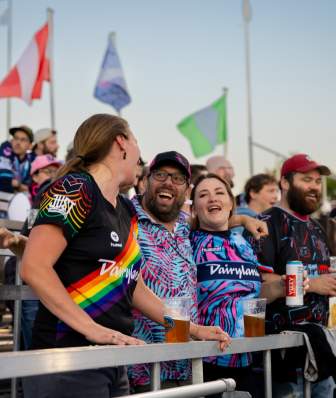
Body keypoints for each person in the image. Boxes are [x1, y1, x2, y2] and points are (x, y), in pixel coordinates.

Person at [19, 115, 230, 398]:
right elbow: (34, 267)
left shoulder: (125, 210)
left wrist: (192, 329)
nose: (140, 158)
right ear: (121, 143)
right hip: (67, 357)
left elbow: (134, 286)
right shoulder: (75, 188)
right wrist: (91, 329)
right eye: (137, 143)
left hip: (114, 357)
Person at [128, 151, 269, 392]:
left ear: (185, 190)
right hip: (145, 367)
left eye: (178, 178)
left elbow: (212, 217)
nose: (168, 182)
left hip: (188, 365)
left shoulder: (184, 226)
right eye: (160, 174)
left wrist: (244, 220)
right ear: (146, 179)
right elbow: (129, 286)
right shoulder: (126, 219)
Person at [248, 153, 335, 398]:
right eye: (307, 179)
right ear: (285, 183)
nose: (314, 187)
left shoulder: (317, 227)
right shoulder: (265, 222)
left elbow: (323, 274)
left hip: (319, 353)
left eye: (318, 182)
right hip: (281, 359)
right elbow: (257, 281)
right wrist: (312, 284)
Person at [189, 173, 277, 398]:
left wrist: (283, 287)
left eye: (219, 193)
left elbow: (253, 293)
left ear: (231, 203)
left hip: (248, 359)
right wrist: (244, 219)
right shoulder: (187, 241)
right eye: (203, 195)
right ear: (194, 208)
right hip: (207, 360)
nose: (212, 199)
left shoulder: (244, 245)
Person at [0, 125, 34, 195]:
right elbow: (4, 180)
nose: (18, 142)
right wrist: (19, 185)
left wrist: (17, 184)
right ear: (11, 141)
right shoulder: (6, 149)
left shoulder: (31, 160)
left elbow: (31, 187)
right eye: (16, 138)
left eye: (23, 140)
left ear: (30, 146)